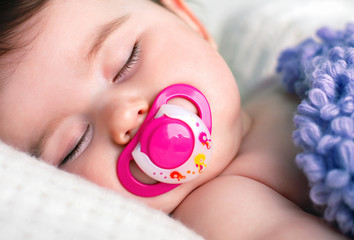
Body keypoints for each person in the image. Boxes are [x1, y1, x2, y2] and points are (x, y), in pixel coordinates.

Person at [0, 0, 348, 239]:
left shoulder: (284, 76)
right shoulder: (222, 208)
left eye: (127, 61)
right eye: (73, 146)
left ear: (190, 22)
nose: (123, 115)